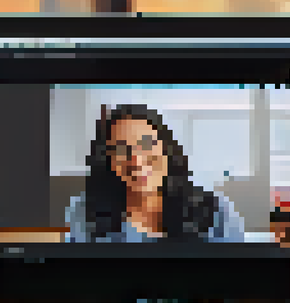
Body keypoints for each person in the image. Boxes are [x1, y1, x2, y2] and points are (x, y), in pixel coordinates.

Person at [64, 103, 245, 243]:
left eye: (146, 144)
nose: (136, 160)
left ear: (166, 149)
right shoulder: (83, 213)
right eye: (120, 149)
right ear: (108, 160)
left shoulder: (217, 211)